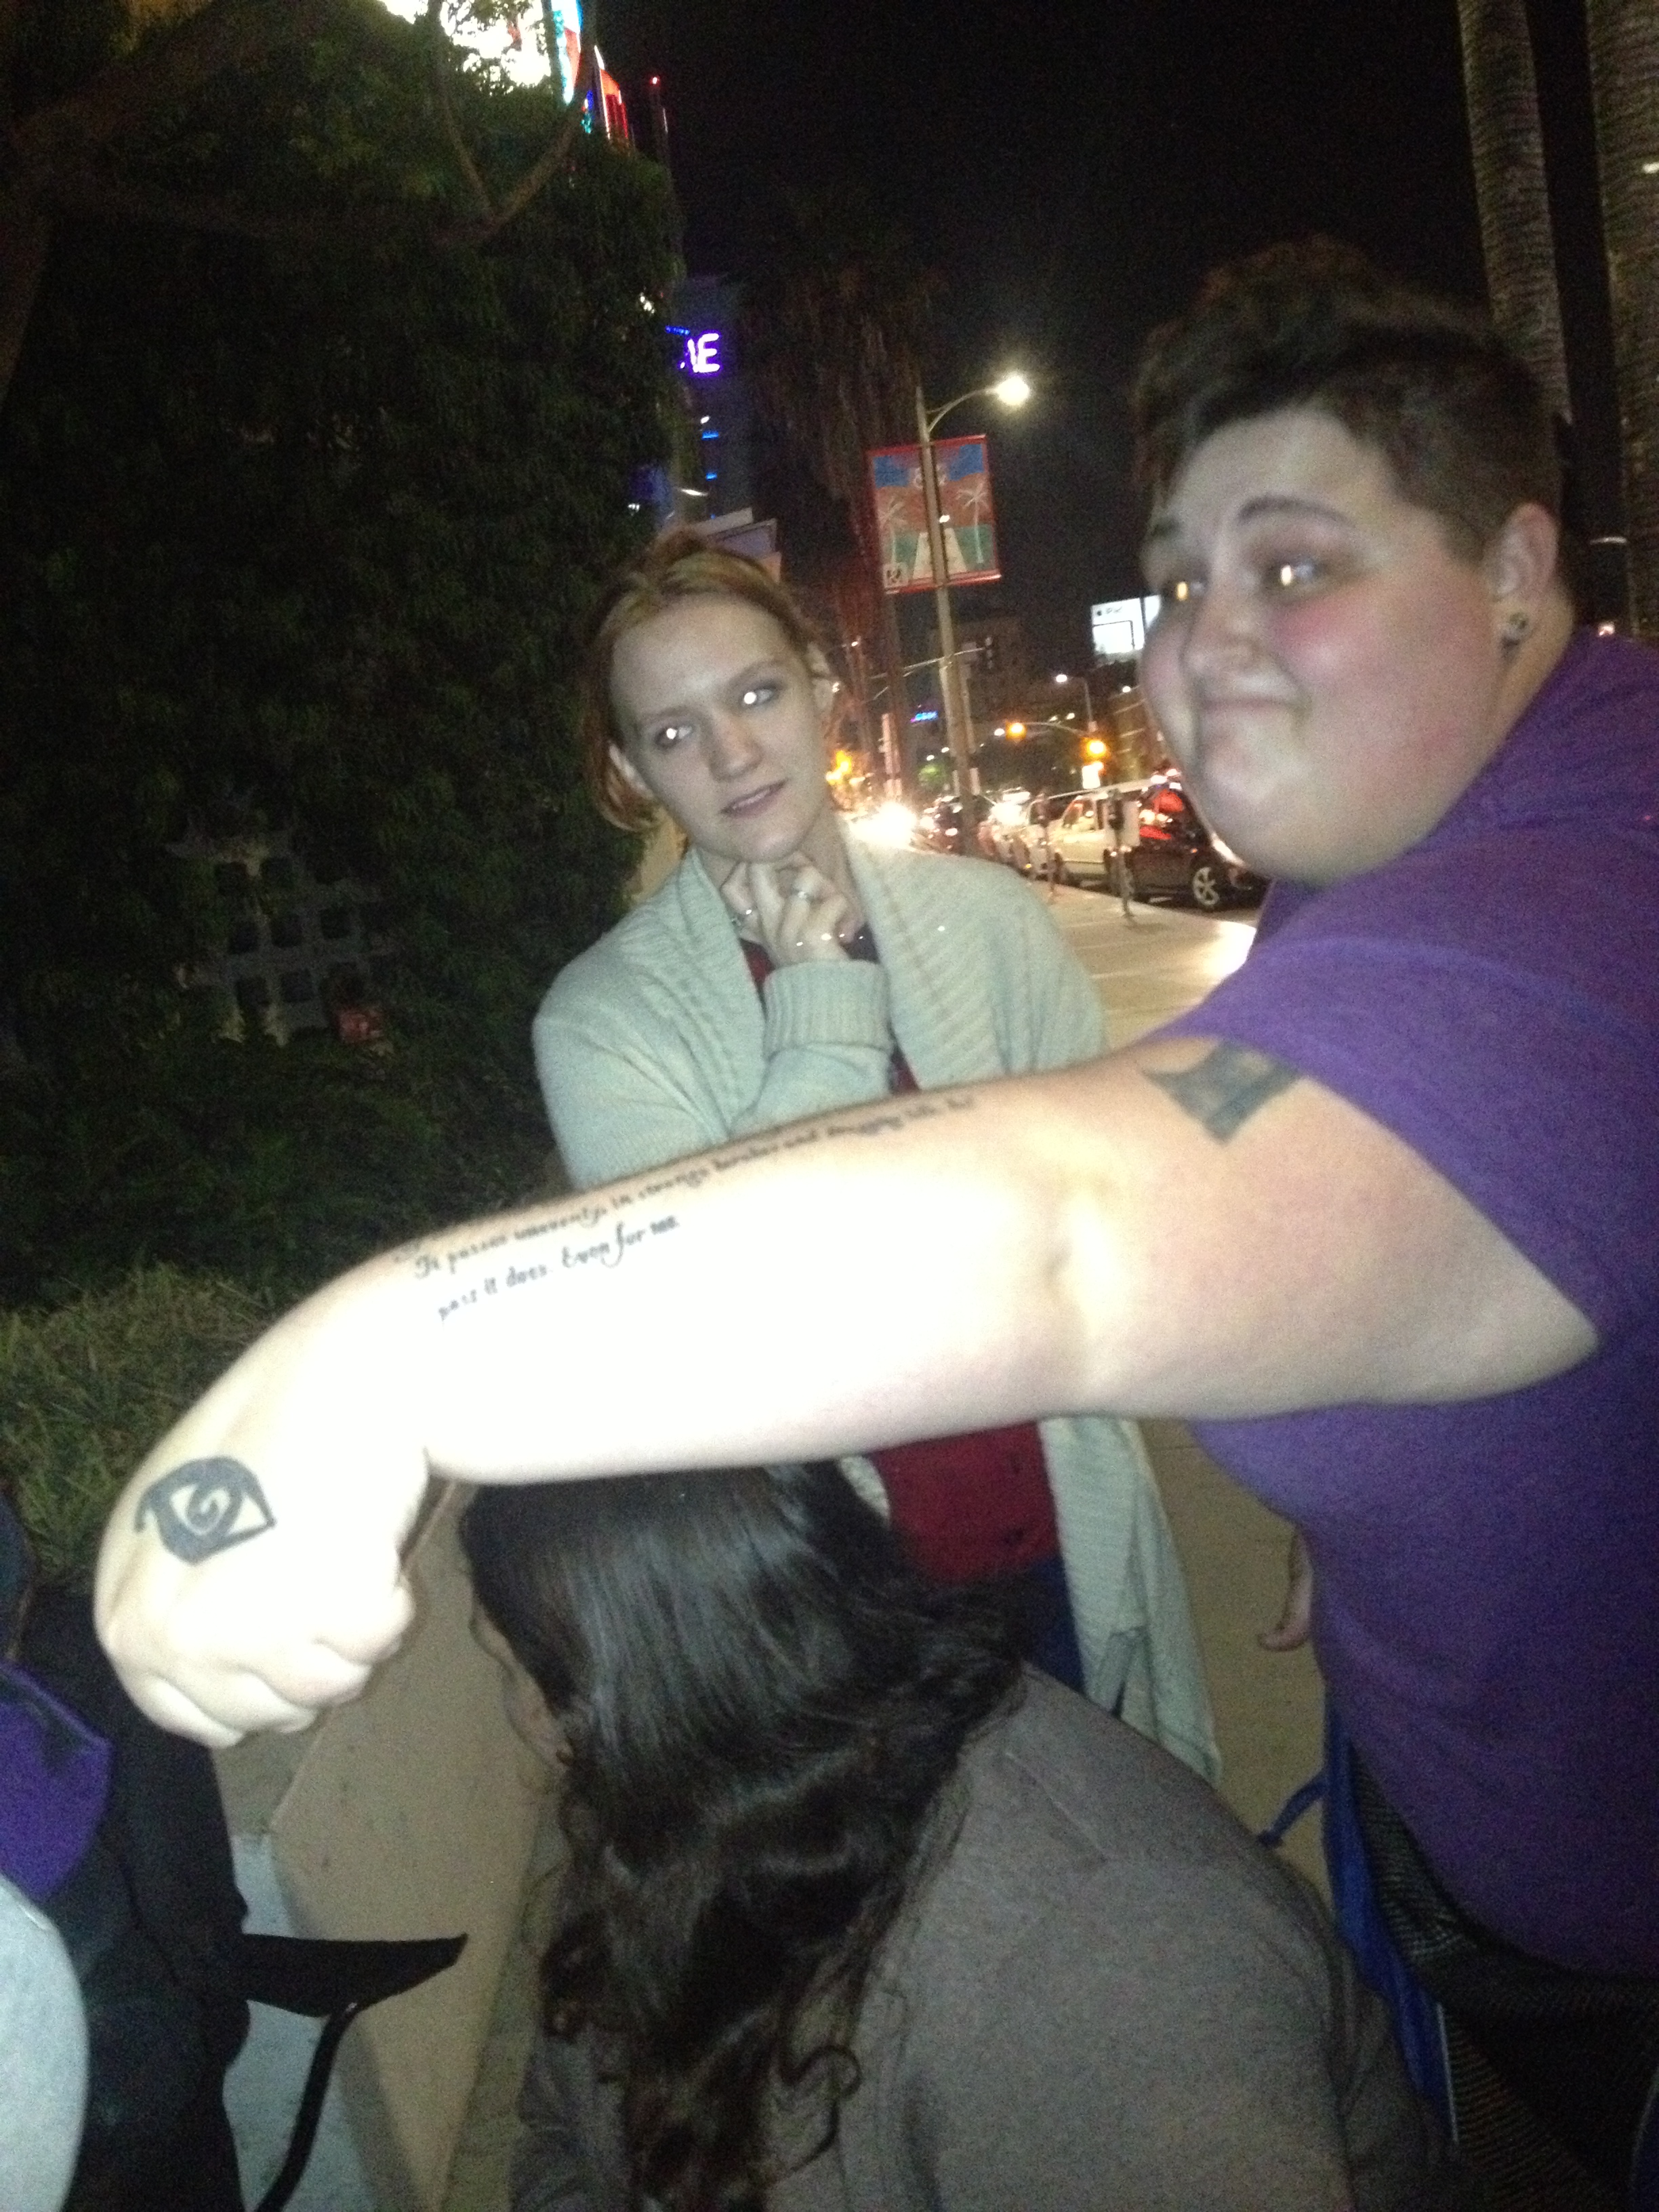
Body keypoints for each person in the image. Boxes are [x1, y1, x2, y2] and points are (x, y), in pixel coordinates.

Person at [96, 242, 1658, 2181]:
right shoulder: (1352, 858)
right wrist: (1366, 1497)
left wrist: (379, 1354)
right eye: (1181, 580)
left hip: (1305, 1722)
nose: (1202, 647)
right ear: (626, 775)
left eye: (1296, 568)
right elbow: (1298, 1265)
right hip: (873, 1606)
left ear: (1514, 569)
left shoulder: (1551, 894)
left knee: (1122, 1953)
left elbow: (1094, 1227)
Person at [530, 532, 1215, 1773]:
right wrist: (824, 1008)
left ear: (822, 691)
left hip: (1060, 1530)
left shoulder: (986, 922)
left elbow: (1127, 1225)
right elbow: (712, 1314)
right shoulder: (602, 1022)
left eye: (756, 694)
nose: (733, 752)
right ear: (630, 771)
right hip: (836, 1618)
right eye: (675, 732)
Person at [458, 1459, 1456, 2212]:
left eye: (517, 1674)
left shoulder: (1110, 1971)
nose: (528, 1730)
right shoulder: (686, 1795)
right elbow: (564, 2131)